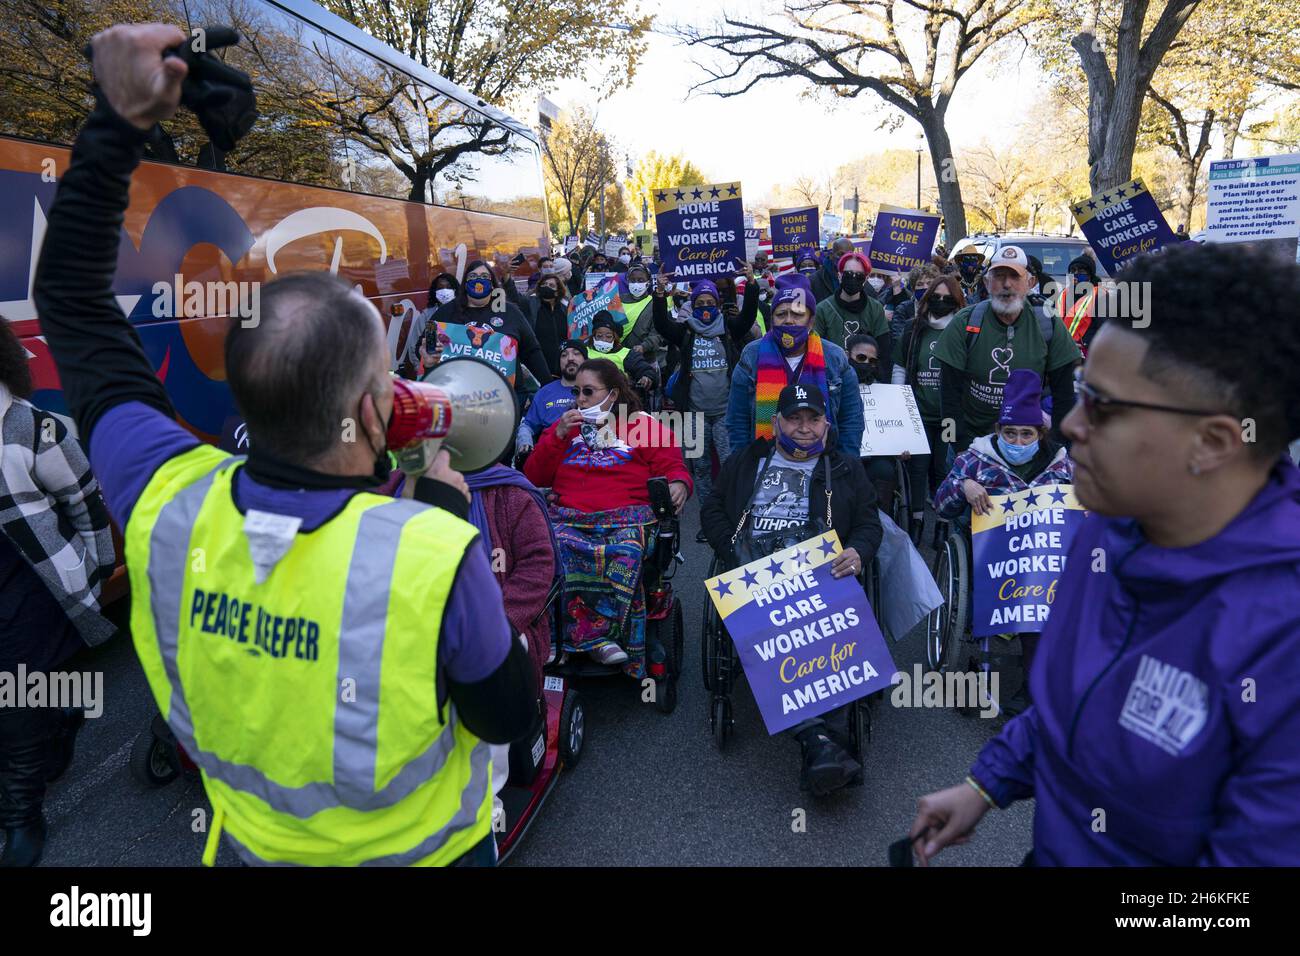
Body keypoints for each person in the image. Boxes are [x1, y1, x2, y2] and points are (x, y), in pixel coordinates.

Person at [32, 23, 536, 867]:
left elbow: (71, 303)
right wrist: (450, 522)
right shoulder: (431, 554)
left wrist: (116, 121)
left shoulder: (165, 503)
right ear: (374, 417)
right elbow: (509, 716)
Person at [912, 241, 1300, 866]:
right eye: (1081, 392)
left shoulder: (1281, 638)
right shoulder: (1104, 525)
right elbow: (1077, 698)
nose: (1068, 425)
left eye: (1105, 406)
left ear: (1213, 442)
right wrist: (986, 785)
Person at [701, 384, 882, 796]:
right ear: (777, 421)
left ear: (826, 422)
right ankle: (823, 744)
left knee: (819, 626)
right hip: (756, 568)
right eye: (795, 418)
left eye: (812, 418)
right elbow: (711, 508)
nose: (804, 427)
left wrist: (858, 551)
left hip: (820, 570)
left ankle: (818, 743)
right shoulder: (747, 461)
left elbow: (870, 524)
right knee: (780, 624)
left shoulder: (847, 468)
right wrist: (732, 551)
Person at [0, 319, 116, 866]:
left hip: (27, 588)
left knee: (15, 707)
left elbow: (85, 502)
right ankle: (64, 717)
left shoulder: (32, 427)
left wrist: (95, 571)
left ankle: (21, 817)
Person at [523, 360, 692, 673]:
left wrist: (680, 483)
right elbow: (533, 476)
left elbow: (673, 467)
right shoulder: (564, 428)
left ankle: (604, 638)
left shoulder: (640, 425)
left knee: (624, 553)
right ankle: (566, 637)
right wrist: (557, 435)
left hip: (626, 518)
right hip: (570, 516)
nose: (580, 399)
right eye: (577, 392)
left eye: (588, 392)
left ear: (612, 395)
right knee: (556, 550)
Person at [933, 369, 1074, 715]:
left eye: (1027, 434)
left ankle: (1036, 684)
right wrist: (964, 487)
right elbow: (940, 504)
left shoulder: (1061, 465)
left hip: (1043, 562)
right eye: (1010, 433)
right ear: (998, 430)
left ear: (1041, 434)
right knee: (1028, 592)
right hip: (992, 560)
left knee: (1045, 590)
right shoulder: (975, 460)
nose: (1018, 441)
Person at [935, 245, 1080, 453]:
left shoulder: (1048, 323)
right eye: (998, 276)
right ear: (986, 282)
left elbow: (1064, 394)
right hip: (973, 442)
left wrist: (1056, 445)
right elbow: (948, 395)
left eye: (1015, 277)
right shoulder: (964, 322)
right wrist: (958, 445)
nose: (1006, 284)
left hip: (1027, 444)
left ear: (1030, 283)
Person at [652, 273, 751, 540]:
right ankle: (710, 521)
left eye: (710, 302)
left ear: (717, 305)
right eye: (700, 303)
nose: (705, 307)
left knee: (730, 464)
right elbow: (662, 323)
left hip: (724, 412)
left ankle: (734, 517)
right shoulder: (685, 331)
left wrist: (751, 284)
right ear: (693, 306)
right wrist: (659, 292)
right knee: (701, 468)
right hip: (694, 415)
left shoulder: (729, 328)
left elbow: (749, 317)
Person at [728, 273, 865, 456]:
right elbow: (737, 421)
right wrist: (744, 466)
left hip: (824, 464)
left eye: (798, 314)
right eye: (781, 314)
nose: (789, 320)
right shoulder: (751, 356)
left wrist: (845, 467)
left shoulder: (834, 358)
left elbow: (851, 421)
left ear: (811, 321)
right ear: (772, 319)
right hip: (765, 461)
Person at [894, 274, 967, 541]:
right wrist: (899, 401)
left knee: (942, 468)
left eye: (947, 299)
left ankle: (942, 522)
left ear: (956, 301)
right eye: (935, 297)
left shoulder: (962, 330)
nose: (940, 302)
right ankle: (916, 521)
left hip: (947, 417)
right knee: (917, 468)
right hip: (918, 414)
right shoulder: (913, 329)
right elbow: (900, 366)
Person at [420, 258, 551, 397]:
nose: (478, 281)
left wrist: (550, 388)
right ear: (464, 284)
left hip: (506, 399)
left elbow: (532, 351)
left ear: (492, 284)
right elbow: (424, 345)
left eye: (484, 277)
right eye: (473, 276)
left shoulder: (510, 312)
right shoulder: (446, 312)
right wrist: (429, 353)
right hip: (459, 398)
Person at [813, 251, 892, 375]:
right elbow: (815, 350)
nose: (853, 279)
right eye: (848, 274)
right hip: (834, 376)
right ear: (839, 276)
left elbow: (884, 351)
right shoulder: (823, 309)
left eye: (859, 276)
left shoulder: (875, 308)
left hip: (868, 377)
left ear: (865, 279)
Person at [517, 340, 584, 455]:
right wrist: (525, 442)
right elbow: (527, 426)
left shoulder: (595, 390)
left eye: (576, 353)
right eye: (564, 355)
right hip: (550, 452)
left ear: (585, 359)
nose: (570, 358)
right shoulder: (545, 392)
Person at [589, 312, 657, 391]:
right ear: (593, 336)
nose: (604, 340)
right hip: (590, 398)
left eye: (608, 337)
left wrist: (646, 377)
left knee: (624, 403)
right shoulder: (584, 352)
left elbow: (645, 369)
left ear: (614, 338)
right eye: (599, 336)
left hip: (620, 399)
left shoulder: (627, 354)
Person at [1056, 254, 1102, 357]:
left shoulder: (1099, 296)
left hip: (1085, 353)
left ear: (1090, 276)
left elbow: (1103, 329)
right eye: (1073, 271)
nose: (1075, 274)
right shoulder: (1063, 293)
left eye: (1081, 272)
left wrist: (1086, 343)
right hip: (1062, 350)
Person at [527, 272, 570, 380]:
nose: (547, 287)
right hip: (539, 364)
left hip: (563, 365)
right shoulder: (531, 305)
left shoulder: (566, 308)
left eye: (551, 285)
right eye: (544, 284)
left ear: (557, 292)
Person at [618, 263, 662, 364]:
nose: (636, 283)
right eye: (633, 280)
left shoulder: (655, 304)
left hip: (645, 360)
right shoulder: (617, 301)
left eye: (641, 280)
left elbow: (658, 333)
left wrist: (644, 346)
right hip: (619, 358)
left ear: (649, 282)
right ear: (628, 281)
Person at [887, 263, 940, 346]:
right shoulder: (904, 309)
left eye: (929, 283)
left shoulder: (943, 307)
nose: (925, 287)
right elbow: (898, 340)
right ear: (913, 289)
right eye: (920, 284)